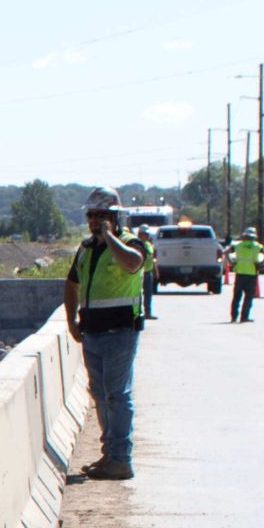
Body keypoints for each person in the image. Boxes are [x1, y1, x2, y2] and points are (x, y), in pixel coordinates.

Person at [63, 188, 146, 481]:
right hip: (92, 333)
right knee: (100, 394)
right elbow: (71, 284)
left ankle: (121, 459)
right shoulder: (86, 249)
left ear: (115, 217)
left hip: (120, 332)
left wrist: (109, 237)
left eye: (101, 215)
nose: (95, 221)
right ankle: (110, 456)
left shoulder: (131, 243)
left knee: (116, 395)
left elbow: (133, 264)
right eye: (91, 215)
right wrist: (71, 319)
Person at [227, 228, 264, 323]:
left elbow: (225, 252)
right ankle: (244, 317)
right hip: (251, 274)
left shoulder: (237, 246)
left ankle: (233, 317)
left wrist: (231, 262)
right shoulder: (257, 246)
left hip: (240, 274)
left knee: (236, 297)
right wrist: (262, 263)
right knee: (248, 297)